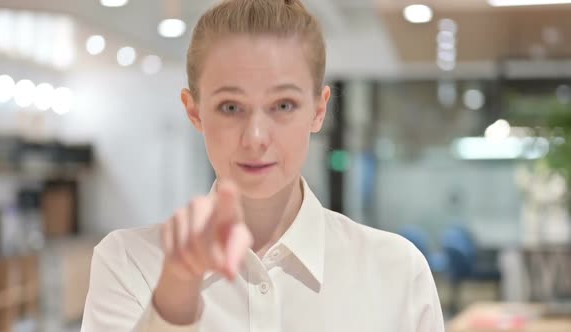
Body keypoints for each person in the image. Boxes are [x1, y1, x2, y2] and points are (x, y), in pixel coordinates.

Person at [80, 0, 444, 331]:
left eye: (283, 105)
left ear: (319, 110)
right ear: (194, 112)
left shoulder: (397, 271)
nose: (255, 137)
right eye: (231, 107)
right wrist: (173, 304)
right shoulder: (129, 263)